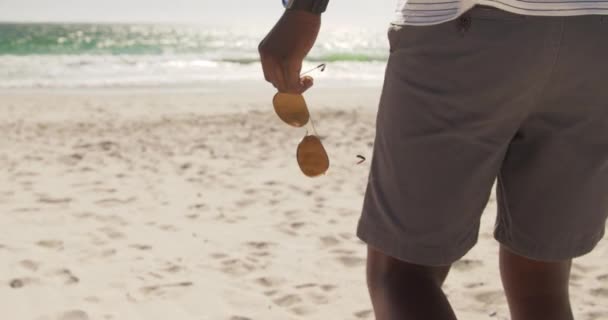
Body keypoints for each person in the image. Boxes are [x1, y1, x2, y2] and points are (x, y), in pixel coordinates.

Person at [258, 0, 608, 319]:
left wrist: (304, 8)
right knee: (542, 276)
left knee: (400, 274)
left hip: (466, 26)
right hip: (595, 36)